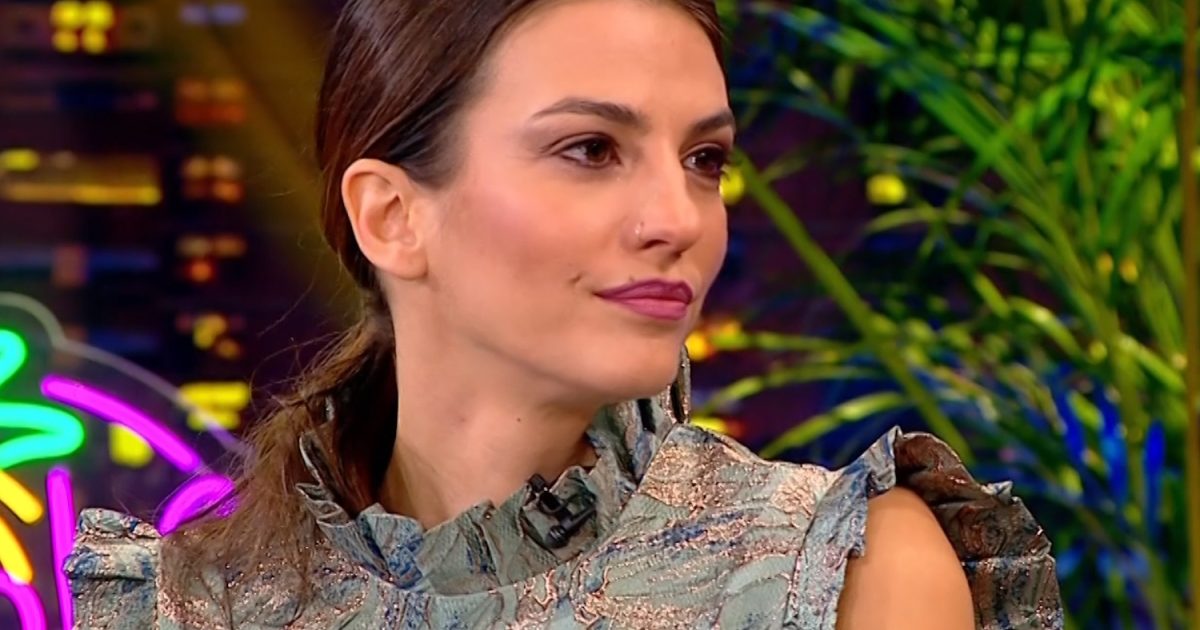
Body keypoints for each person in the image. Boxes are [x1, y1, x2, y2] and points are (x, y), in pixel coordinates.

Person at [66, 0, 1063, 627]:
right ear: (393, 216)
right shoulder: (190, 606)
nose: (679, 219)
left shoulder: (847, 573)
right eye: (590, 149)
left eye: (704, 160)